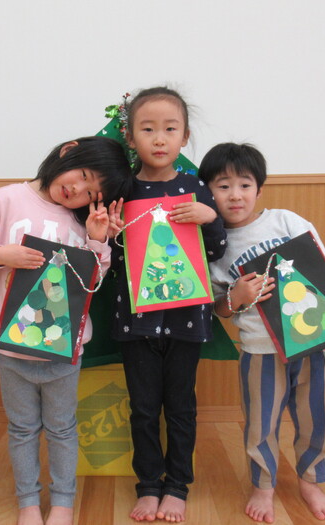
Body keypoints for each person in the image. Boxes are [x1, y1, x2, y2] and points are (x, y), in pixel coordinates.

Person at [199, 142, 325, 523]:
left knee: (318, 416)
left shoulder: (286, 221)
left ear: (259, 189)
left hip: (317, 338)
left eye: (244, 185)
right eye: (223, 186)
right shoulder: (213, 247)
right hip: (260, 348)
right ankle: (263, 485)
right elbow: (218, 309)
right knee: (261, 421)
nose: (235, 195)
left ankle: (311, 481)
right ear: (207, 193)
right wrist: (236, 297)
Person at [0, 136, 132, 525]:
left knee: (62, 429)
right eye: (82, 175)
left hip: (63, 353)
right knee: (22, 429)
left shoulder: (82, 223)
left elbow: (93, 282)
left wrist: (97, 240)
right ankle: (27, 503)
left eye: (90, 192)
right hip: (12, 349)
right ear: (67, 151)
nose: (77, 190)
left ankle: (62, 504)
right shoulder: (8, 198)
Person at [109, 87, 227, 523]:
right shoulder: (122, 188)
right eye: (147, 129)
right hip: (136, 321)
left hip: (186, 320)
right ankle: (147, 485)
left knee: (181, 408)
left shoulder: (196, 189)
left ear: (184, 136)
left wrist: (210, 219)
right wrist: (108, 233)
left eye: (170, 129)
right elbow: (111, 260)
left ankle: (177, 485)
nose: (159, 138)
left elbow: (214, 251)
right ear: (131, 137)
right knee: (142, 408)